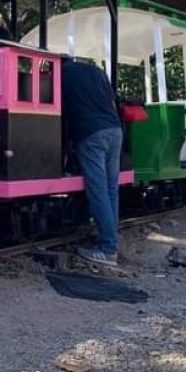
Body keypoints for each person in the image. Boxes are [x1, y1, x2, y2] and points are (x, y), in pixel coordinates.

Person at [60, 57, 123, 267]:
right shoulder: (96, 71)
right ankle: (110, 239)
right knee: (111, 189)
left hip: (91, 134)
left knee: (98, 190)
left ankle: (108, 249)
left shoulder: (62, 74)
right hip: (114, 130)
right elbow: (112, 102)